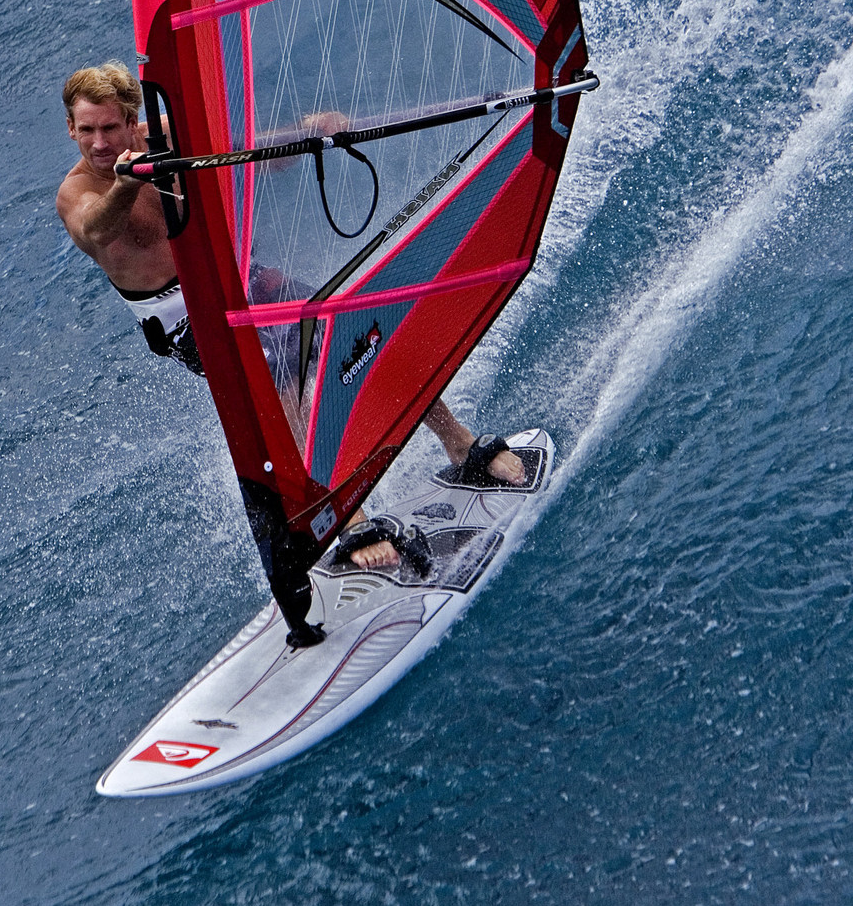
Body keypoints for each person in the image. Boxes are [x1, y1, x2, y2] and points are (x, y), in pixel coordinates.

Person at [55, 62, 525, 601]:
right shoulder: (77, 193)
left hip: (242, 279)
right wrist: (125, 183)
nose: (98, 142)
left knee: (357, 326)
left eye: (109, 128)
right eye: (86, 130)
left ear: (132, 120)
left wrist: (307, 133)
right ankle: (348, 519)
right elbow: (96, 227)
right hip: (185, 319)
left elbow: (241, 151)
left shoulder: (160, 138)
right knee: (290, 369)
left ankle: (458, 443)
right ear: (70, 129)